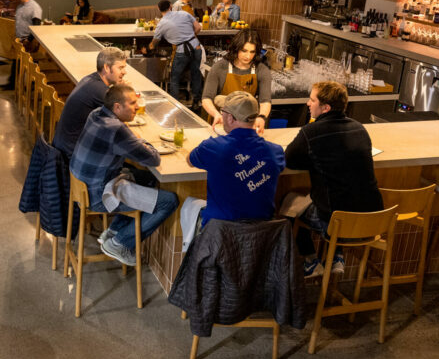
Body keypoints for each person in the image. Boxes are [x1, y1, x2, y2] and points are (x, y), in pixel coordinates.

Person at [70, 83, 179, 265]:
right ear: (117, 107)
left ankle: (114, 231)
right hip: (97, 195)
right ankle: (119, 243)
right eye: (132, 103)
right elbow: (153, 159)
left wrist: (130, 136)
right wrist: (139, 139)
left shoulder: (96, 114)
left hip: (81, 186)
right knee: (169, 201)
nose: (137, 106)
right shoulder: (116, 129)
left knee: (149, 179)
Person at [284, 80, 383, 277]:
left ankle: (311, 261)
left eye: (312, 100)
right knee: (331, 200)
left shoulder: (311, 132)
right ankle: (337, 255)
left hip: (337, 224)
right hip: (374, 221)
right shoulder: (359, 128)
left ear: (326, 108)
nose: (307, 104)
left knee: (290, 203)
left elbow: (290, 160)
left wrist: (314, 161)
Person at [182, 91, 284, 249]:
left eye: (223, 112)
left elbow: (189, 160)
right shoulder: (276, 151)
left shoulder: (213, 148)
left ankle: (193, 264)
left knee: (190, 205)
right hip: (261, 239)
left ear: (230, 118)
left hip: (219, 239)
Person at [53, 47, 127, 157]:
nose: (124, 72)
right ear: (106, 67)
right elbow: (123, 121)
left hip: (64, 147)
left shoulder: (90, 79)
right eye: (120, 68)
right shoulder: (99, 90)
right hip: (73, 155)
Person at [202, 31, 272, 131]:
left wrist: (261, 117)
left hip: (247, 124)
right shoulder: (220, 67)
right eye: (244, 51)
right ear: (236, 48)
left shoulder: (261, 70)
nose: (248, 56)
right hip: (222, 122)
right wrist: (216, 114)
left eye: (252, 52)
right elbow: (206, 98)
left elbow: (265, 101)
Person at [152, 0, 203, 107]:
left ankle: (175, 105)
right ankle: (196, 102)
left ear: (159, 9)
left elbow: (155, 42)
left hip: (181, 51)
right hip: (196, 47)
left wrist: (149, 48)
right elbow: (198, 27)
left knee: (175, 77)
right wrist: (190, 36)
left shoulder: (162, 23)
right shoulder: (184, 14)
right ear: (171, 6)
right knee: (196, 74)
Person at [2, 0, 42, 90]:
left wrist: (29, 40)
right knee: (16, 62)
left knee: (31, 64)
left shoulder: (35, 7)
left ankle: (35, 84)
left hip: (28, 40)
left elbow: (36, 26)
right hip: (19, 39)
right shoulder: (20, 6)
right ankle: (12, 84)